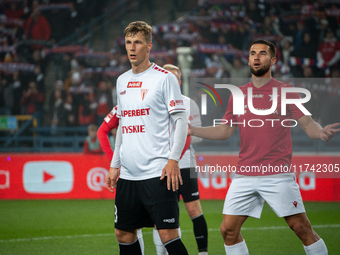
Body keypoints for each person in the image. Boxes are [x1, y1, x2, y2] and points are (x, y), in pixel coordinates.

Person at [190, 39, 340, 255]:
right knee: (228, 230)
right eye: (252, 53)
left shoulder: (286, 91)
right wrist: (192, 130)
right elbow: (224, 131)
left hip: (277, 173)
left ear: (273, 60)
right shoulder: (238, 94)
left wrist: (320, 132)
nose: (256, 57)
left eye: (262, 53)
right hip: (245, 173)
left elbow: (307, 122)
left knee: (301, 228)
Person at [105, 21, 189, 255]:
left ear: (149, 46)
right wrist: (115, 164)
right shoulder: (121, 81)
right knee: (123, 234)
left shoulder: (164, 78)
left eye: (138, 42)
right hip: (129, 176)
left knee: (167, 235)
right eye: (128, 42)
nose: (132, 48)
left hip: (157, 172)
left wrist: (173, 159)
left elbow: (181, 121)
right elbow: (122, 124)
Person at [163, 64, 208, 255]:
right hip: (163, 165)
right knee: (165, 216)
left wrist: (187, 130)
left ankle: (203, 253)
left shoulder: (189, 103)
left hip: (185, 164)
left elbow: (198, 136)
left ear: (179, 81)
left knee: (193, 210)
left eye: (175, 77)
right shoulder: (155, 103)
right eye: (169, 78)